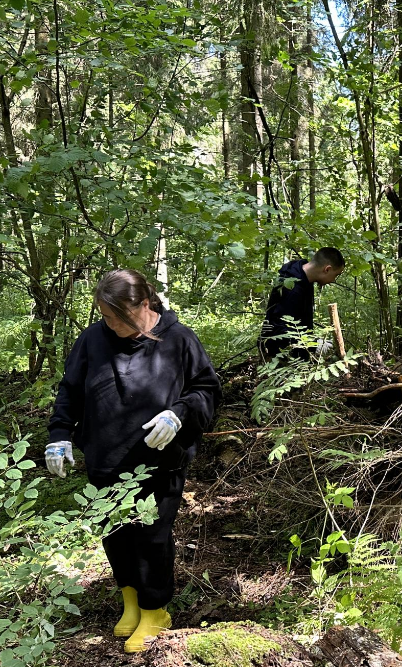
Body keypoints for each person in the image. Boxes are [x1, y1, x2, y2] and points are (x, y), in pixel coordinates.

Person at [45, 269, 221, 653]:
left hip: (160, 461)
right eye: (105, 317)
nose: (110, 325)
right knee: (115, 534)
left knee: (151, 536)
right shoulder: (93, 339)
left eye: (117, 317)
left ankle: (155, 608)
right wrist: (60, 434)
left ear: (144, 305)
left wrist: (179, 414)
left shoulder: (179, 339)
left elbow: (206, 389)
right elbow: (70, 390)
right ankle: (130, 602)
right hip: (105, 456)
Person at [258, 247, 345, 360]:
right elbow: (281, 327)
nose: (334, 280)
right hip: (279, 357)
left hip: (295, 354)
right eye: (336, 275)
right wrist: (313, 345)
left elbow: (298, 322)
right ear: (327, 269)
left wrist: (313, 342)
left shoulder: (303, 275)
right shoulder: (291, 287)